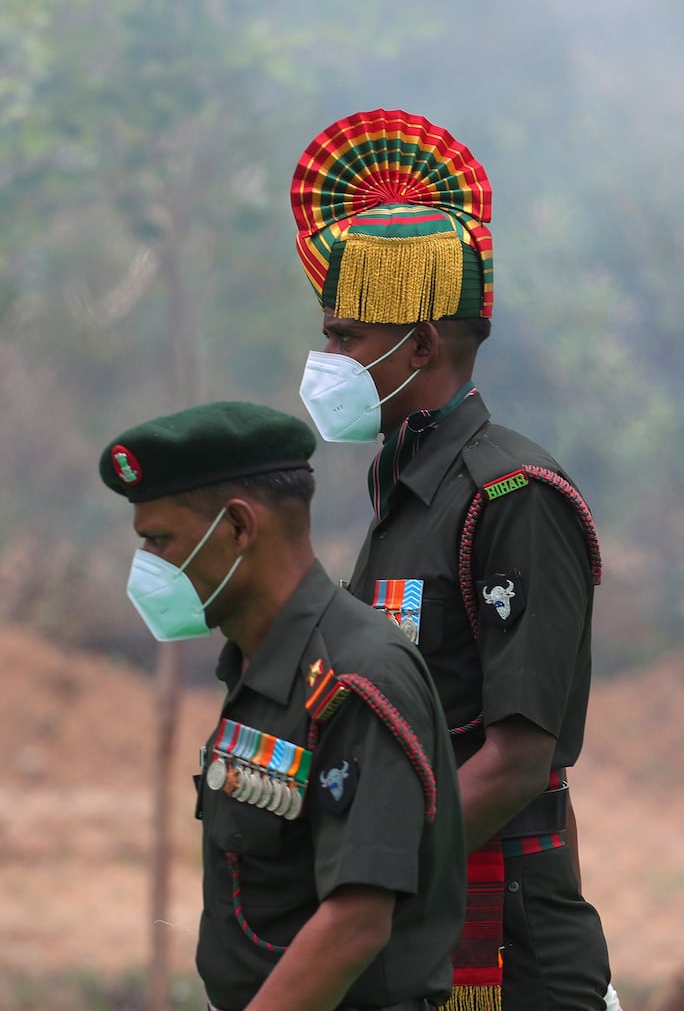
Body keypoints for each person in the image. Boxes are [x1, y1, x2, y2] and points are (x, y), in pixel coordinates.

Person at [291, 109, 614, 1010]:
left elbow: (515, 760)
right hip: (418, 922)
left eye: (345, 335)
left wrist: (369, 873)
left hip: (503, 946)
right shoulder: (406, 487)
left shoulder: (512, 495)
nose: (327, 358)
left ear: (421, 344)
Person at [100, 401, 465, 1011]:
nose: (147, 569)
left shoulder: (355, 676)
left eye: (159, 541)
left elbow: (356, 921)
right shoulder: (257, 665)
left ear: (239, 527)